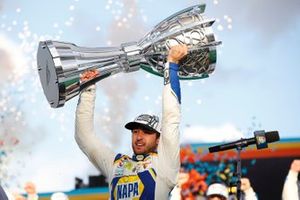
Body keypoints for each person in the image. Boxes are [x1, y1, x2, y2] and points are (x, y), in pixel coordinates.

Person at [75, 45, 188, 199]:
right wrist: (87, 91)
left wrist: (172, 65)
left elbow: (171, 118)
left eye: (147, 132)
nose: (139, 137)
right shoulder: (116, 165)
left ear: (158, 139)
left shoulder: (165, 164)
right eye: (135, 131)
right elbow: (84, 138)